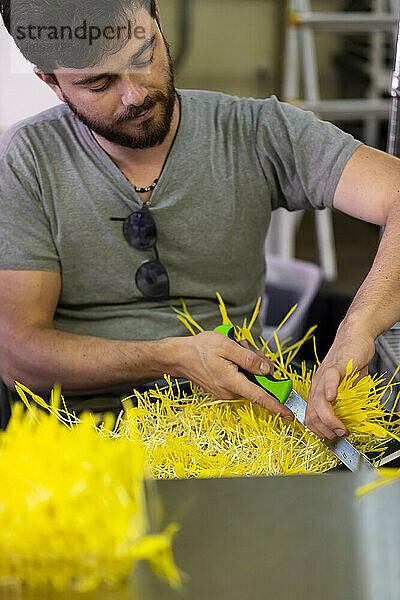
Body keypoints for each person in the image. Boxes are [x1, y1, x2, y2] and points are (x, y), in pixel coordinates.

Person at [0, 0, 399, 440]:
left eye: (143, 55)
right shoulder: (25, 161)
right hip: (81, 438)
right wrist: (170, 357)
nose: (135, 95)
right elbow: (20, 354)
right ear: (51, 82)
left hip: (239, 426)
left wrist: (357, 326)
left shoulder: (255, 131)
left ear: (156, 19)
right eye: (99, 83)